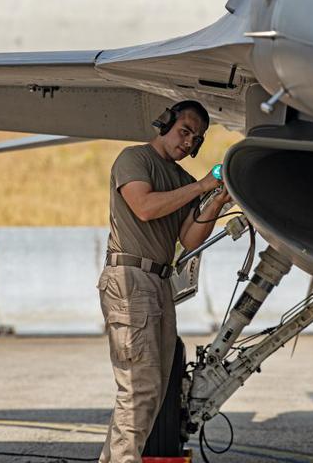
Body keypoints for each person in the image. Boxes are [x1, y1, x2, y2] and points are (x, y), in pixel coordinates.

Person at [98, 101, 231, 463]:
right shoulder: (134, 159)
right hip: (130, 279)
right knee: (138, 390)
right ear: (165, 123)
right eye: (184, 131)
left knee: (151, 392)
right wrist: (202, 186)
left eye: (196, 139)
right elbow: (144, 207)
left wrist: (216, 201)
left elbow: (189, 238)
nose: (188, 142)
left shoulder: (184, 181)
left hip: (159, 283)